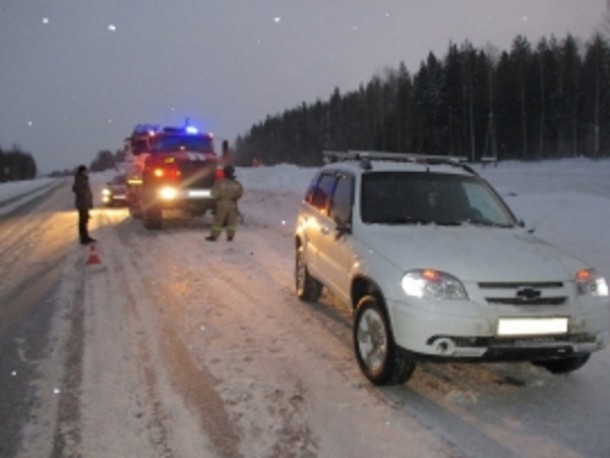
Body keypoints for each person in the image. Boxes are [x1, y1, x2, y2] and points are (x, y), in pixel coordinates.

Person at [206, 164, 243, 241]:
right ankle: (230, 236)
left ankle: (214, 236)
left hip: (222, 204)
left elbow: (214, 194)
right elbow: (240, 193)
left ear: (224, 173)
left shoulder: (219, 183)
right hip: (232, 204)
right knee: (231, 221)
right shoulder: (236, 183)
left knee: (218, 221)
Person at [72, 165, 96, 245]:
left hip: (85, 202)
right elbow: (75, 189)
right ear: (82, 171)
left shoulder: (84, 178)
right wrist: (84, 193)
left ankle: (86, 236)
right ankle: (83, 238)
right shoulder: (78, 178)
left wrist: (90, 201)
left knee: (85, 220)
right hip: (82, 203)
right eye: (85, 170)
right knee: (82, 221)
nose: (86, 172)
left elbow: (87, 189)